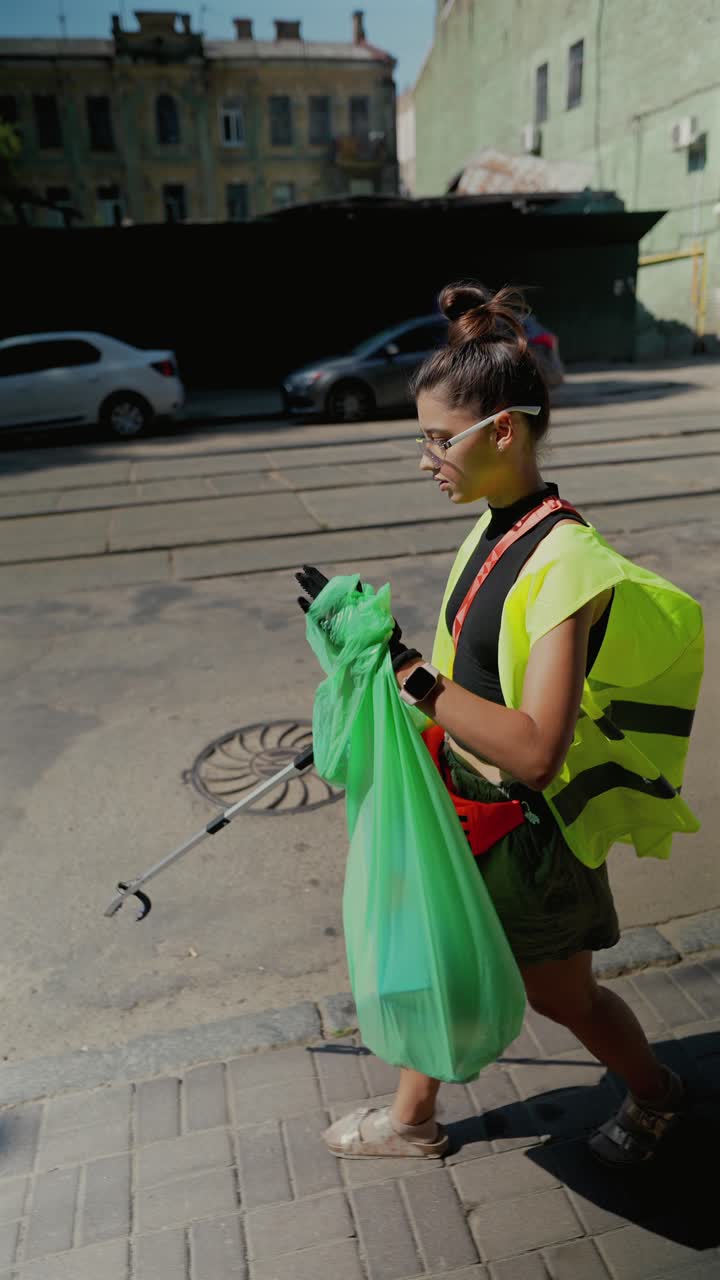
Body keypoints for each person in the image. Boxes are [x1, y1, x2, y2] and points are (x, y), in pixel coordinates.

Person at [295, 281, 702, 1168]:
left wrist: (409, 672)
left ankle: (663, 1098)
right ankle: (412, 1122)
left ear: (503, 431)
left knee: (568, 1001)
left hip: (526, 837)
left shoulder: (566, 562)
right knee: (439, 959)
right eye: (423, 439)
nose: (426, 458)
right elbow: (463, 670)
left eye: (440, 440)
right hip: (467, 813)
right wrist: (371, 669)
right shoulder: (493, 525)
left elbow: (536, 749)